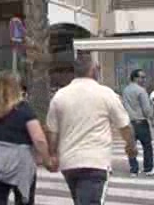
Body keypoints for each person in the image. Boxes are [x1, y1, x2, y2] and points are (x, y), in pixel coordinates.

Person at [46, 56, 138, 205]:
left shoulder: (60, 95)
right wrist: (131, 147)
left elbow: (52, 131)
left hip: (69, 162)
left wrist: (52, 154)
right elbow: (124, 125)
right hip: (96, 161)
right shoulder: (105, 93)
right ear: (93, 70)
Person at [0, 71, 55, 205]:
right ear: (17, 88)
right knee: (24, 200)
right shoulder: (24, 109)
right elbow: (38, 139)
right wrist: (47, 160)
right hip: (19, 162)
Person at [122, 69, 154, 177]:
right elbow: (146, 108)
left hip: (129, 122)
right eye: (141, 77)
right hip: (141, 121)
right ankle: (148, 168)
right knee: (147, 146)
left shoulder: (126, 90)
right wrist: (151, 119)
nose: (143, 79)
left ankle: (134, 169)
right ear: (135, 78)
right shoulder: (141, 91)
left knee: (131, 146)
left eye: (144, 77)